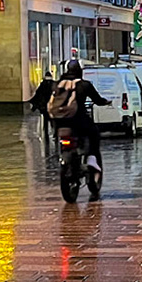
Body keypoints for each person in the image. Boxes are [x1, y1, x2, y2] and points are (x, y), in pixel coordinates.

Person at [49, 60, 111, 191]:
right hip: (79, 121)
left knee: (62, 142)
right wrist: (106, 102)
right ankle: (92, 159)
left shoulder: (57, 85)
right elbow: (97, 100)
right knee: (94, 134)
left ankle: (64, 157)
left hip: (59, 123)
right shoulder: (84, 85)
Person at [30, 71, 58, 148]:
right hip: (53, 106)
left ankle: (46, 134)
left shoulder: (42, 84)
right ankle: (55, 133)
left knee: (45, 120)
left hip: (44, 107)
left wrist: (34, 106)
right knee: (53, 120)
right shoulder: (54, 84)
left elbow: (38, 95)